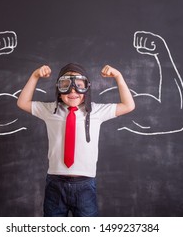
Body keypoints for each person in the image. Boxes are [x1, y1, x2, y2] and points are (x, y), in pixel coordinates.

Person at [17, 63, 135, 217]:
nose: (73, 90)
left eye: (79, 85)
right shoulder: (50, 110)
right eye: (66, 85)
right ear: (59, 90)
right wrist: (35, 76)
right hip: (55, 183)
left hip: (85, 184)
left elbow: (128, 105)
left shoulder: (96, 111)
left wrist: (118, 76)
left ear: (87, 88)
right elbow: (22, 103)